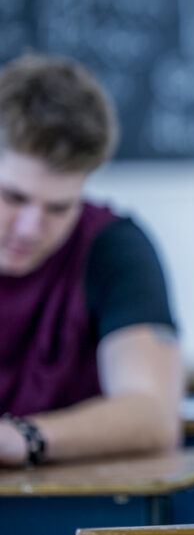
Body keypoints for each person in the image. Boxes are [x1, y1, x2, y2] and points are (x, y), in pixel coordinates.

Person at [0, 54, 182, 467]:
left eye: (59, 208)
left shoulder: (114, 248)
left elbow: (153, 415)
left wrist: (21, 438)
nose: (30, 228)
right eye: (13, 197)